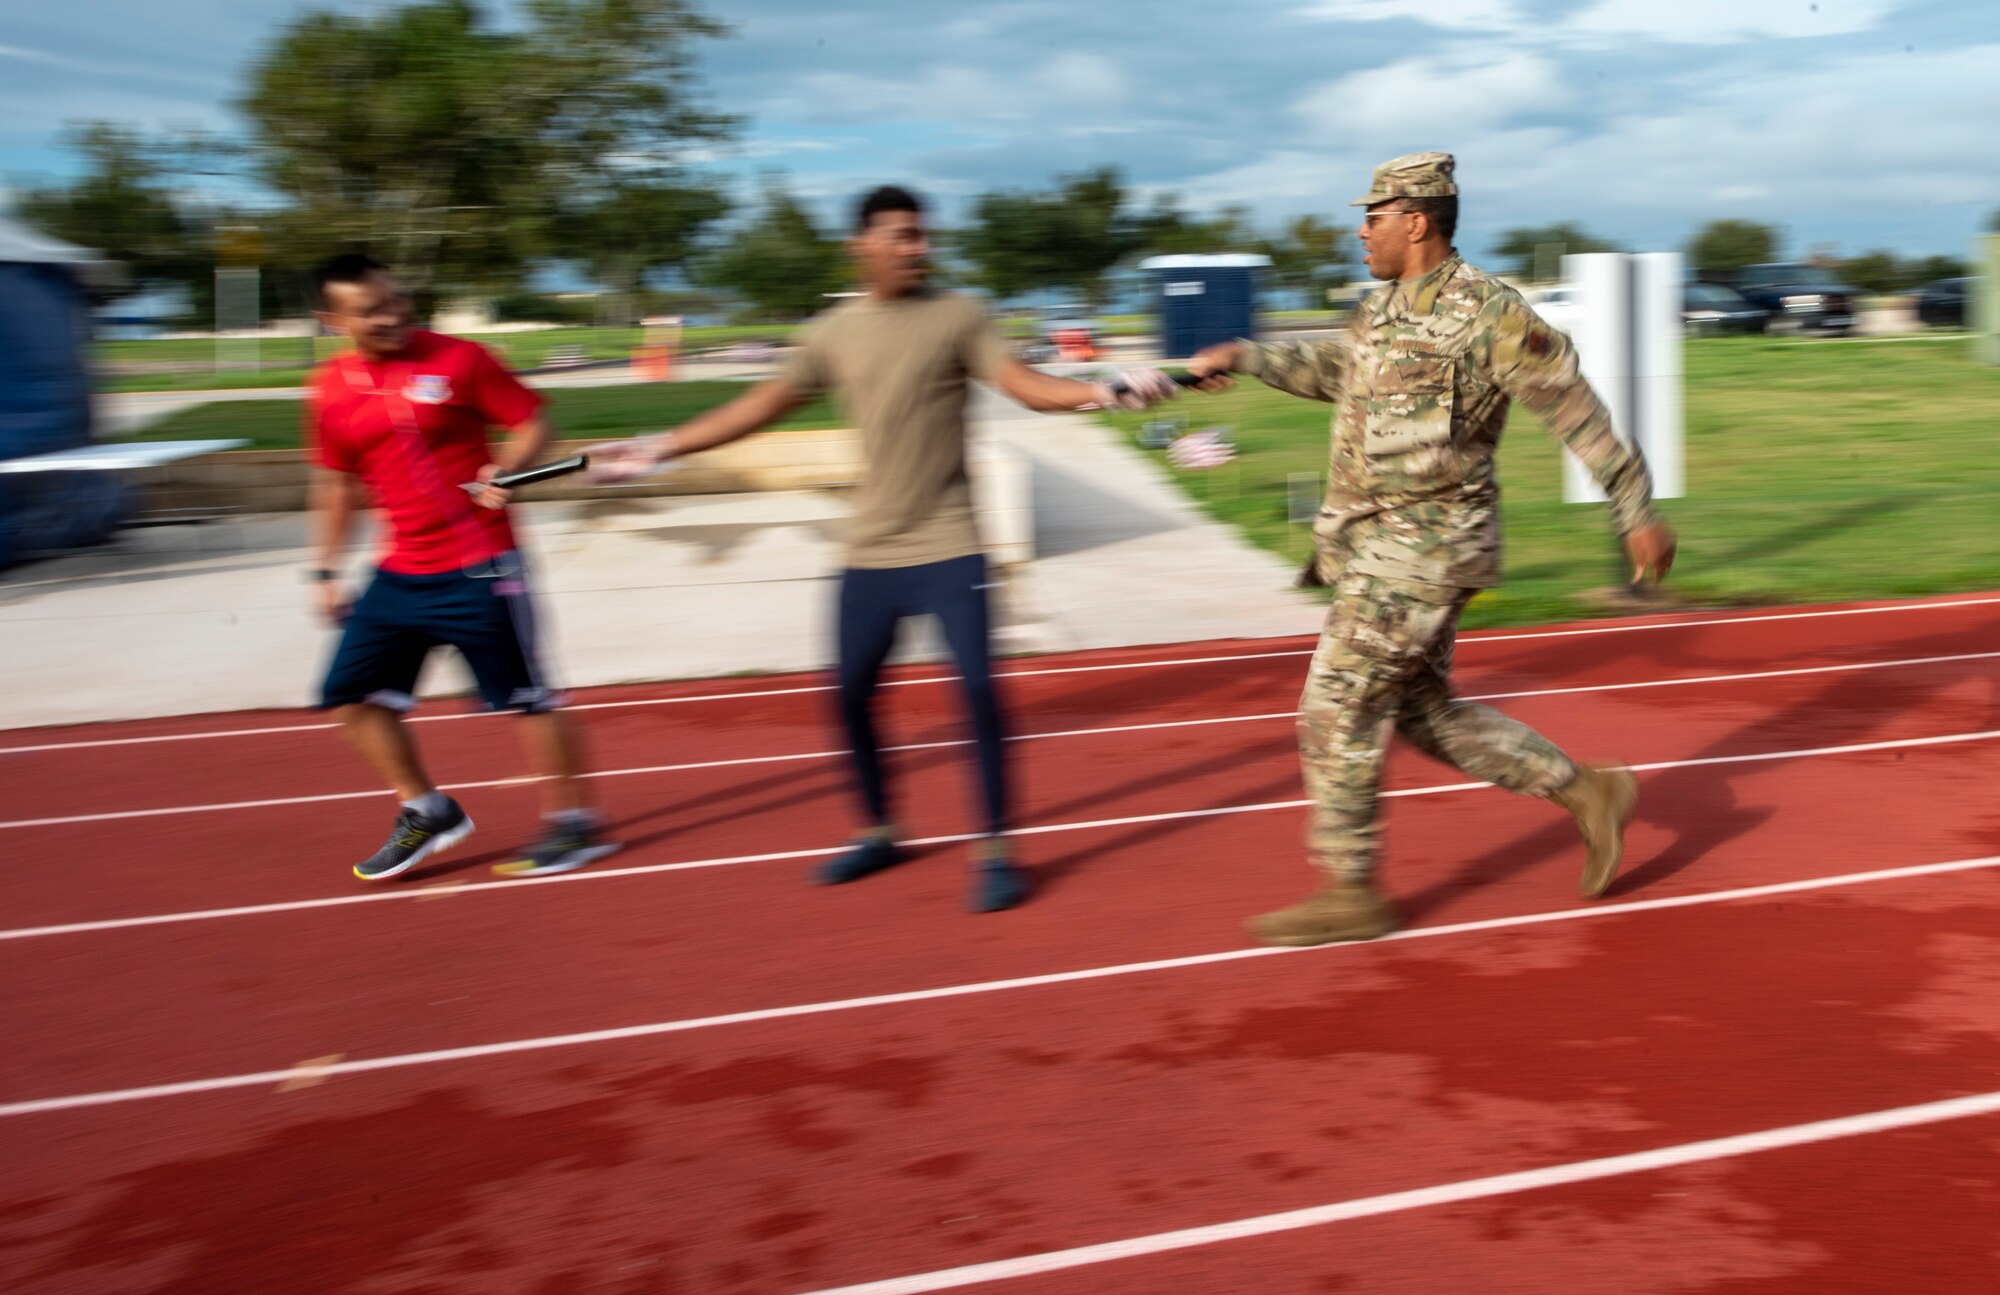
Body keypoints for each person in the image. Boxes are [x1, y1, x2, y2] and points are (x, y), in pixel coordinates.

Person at [590, 186, 1178, 912]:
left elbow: (1024, 386)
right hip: (870, 548)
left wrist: (1104, 389)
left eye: (923, 236)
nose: (918, 247)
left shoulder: (959, 315)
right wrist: (657, 448)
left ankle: (995, 850)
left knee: (978, 697)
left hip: (951, 543)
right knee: (848, 696)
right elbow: (761, 407)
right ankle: (878, 830)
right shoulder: (833, 331)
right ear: (861, 246)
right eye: (901, 236)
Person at [1186, 152, 1678, 948]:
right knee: (1421, 711)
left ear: (1415, 221)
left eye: (1372, 217)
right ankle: (1588, 791)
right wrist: (1245, 357)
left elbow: (1572, 408)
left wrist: (1636, 507)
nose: (1361, 230)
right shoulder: (1378, 309)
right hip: (1372, 542)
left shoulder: (1491, 313)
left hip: (1431, 545)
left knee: (1334, 705)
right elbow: (1333, 372)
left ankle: (1351, 890)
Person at [307, 253, 618, 881]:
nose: (393, 315)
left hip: (483, 564)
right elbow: (336, 484)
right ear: (332, 320)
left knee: (531, 698)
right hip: (398, 572)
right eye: (371, 311)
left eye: (396, 300)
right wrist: (324, 569)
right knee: (350, 696)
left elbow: (534, 422)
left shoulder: (460, 358)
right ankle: (426, 810)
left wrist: (509, 469)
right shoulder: (330, 390)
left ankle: (572, 824)